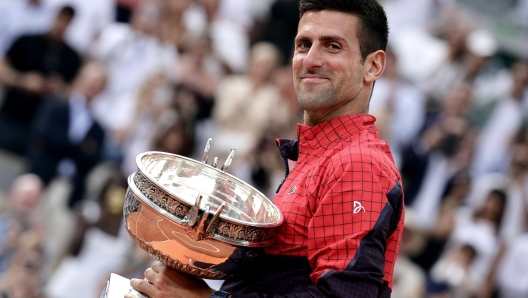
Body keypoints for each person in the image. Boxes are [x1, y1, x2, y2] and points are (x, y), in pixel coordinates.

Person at [127, 0, 404, 297]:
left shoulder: (358, 163)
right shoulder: (323, 155)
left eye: (332, 46)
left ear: (373, 65)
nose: (310, 59)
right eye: (303, 44)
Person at [0, 5, 81, 156]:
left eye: (67, 21)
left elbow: (75, 91)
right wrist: (23, 80)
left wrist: (59, 89)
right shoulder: (27, 41)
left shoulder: (72, 57)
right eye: (60, 18)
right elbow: (3, 69)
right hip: (11, 116)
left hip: (42, 127)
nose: (62, 25)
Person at [27, 61, 107, 208]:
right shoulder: (55, 106)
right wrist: (80, 147)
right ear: (79, 79)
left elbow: (93, 159)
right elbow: (44, 137)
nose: (92, 86)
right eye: (90, 81)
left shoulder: (98, 129)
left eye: (98, 84)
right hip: (41, 179)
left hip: (70, 193)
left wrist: (66, 144)